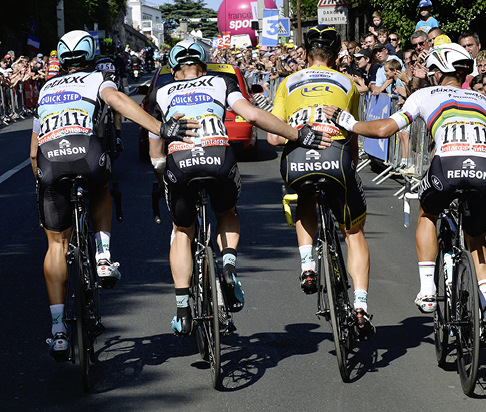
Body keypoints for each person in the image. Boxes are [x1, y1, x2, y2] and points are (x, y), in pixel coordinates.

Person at [30, 30, 199, 361]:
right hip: (87, 155)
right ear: (91, 55)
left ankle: (58, 331)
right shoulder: (96, 80)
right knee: (102, 188)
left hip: (50, 160)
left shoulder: (46, 89)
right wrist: (159, 128)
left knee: (55, 243)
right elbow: (119, 102)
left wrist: (42, 178)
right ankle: (104, 256)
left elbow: (34, 151)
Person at [148, 40, 332, 337]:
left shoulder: (163, 92)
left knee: (183, 230)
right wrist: (297, 135)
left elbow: (155, 144)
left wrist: (160, 175)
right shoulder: (221, 82)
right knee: (227, 211)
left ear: (174, 71)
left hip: (179, 164)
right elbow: (255, 116)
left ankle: (183, 310)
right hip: (218, 159)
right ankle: (229, 264)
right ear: (204, 66)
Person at [324, 42, 486, 348]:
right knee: (477, 239)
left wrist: (347, 121)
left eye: (433, 70)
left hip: (448, 166)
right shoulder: (482, 99)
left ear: (439, 71)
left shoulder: (424, 95)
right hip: (485, 166)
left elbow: (384, 131)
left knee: (428, 212)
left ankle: (428, 289)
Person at [266, 25, 375, 340]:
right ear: (337, 52)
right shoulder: (347, 83)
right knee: (353, 231)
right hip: (336, 156)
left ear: (305, 52)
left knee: (305, 199)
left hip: (297, 160)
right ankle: (360, 304)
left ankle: (307, 266)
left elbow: (273, 137)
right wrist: (350, 166)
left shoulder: (286, 83)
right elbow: (351, 132)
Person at [95, 38, 129, 152]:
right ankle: (118, 137)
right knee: (117, 112)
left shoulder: (96, 59)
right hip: (114, 89)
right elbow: (123, 77)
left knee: (100, 117)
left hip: (99, 90)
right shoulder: (117, 59)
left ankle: (99, 142)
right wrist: (126, 92)